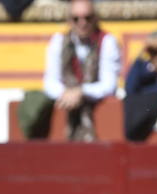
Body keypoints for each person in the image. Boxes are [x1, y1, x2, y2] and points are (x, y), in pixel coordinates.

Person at [41, 0, 121, 142]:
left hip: (98, 114)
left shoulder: (107, 41)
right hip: (67, 106)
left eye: (87, 18)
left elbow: (109, 85)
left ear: (95, 18)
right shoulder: (58, 41)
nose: (82, 23)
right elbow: (50, 82)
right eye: (76, 18)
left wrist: (81, 92)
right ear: (69, 20)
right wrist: (67, 94)